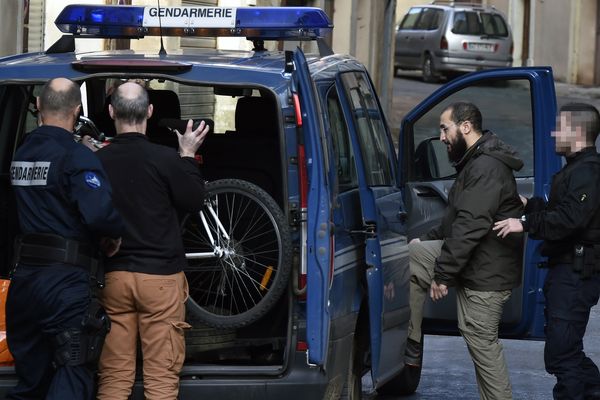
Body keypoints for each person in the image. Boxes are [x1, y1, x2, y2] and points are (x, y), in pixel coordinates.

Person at [6, 77, 123, 399]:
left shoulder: (21, 154)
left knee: (32, 380)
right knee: (72, 370)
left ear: (39, 106)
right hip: (65, 284)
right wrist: (116, 233)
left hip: (25, 282)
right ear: (78, 110)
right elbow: (99, 215)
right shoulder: (77, 157)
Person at [95, 82, 208, 400]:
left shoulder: (97, 161)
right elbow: (194, 200)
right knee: (160, 380)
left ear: (111, 112)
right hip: (160, 280)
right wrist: (187, 155)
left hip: (114, 278)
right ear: (150, 112)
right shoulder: (165, 159)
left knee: (114, 378)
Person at [406, 101, 524, 400]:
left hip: (486, 270)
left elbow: (470, 226)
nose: (442, 137)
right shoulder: (476, 161)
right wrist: (426, 240)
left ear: (466, 126)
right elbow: (455, 219)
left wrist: (443, 276)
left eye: (445, 129)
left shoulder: (485, 167)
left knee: (482, 343)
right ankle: (410, 344)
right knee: (411, 256)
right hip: (477, 259)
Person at [494, 103, 600, 400]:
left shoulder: (589, 173)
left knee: (562, 354)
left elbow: (569, 220)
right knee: (564, 351)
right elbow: (563, 212)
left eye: (559, 127)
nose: (553, 133)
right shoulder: (576, 170)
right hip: (568, 271)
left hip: (576, 275)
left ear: (577, 132)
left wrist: (525, 222)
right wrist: (531, 205)